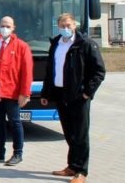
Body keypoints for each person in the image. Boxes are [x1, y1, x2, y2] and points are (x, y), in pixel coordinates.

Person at [41, 13, 106, 183]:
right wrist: (46, 93)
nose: (65, 28)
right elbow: (50, 70)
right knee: (69, 134)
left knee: (80, 135)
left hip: (79, 96)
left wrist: (87, 92)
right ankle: (72, 166)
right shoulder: (55, 43)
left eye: (68, 25)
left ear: (75, 25)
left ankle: (81, 171)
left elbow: (99, 71)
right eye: (62, 25)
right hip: (61, 94)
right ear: (57, 26)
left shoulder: (85, 44)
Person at [0, 16, 33, 166]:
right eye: (3, 25)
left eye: (8, 26)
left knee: (15, 122)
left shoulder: (22, 46)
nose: (5, 28)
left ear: (13, 28)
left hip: (12, 90)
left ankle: (18, 153)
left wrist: (25, 93)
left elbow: (27, 72)